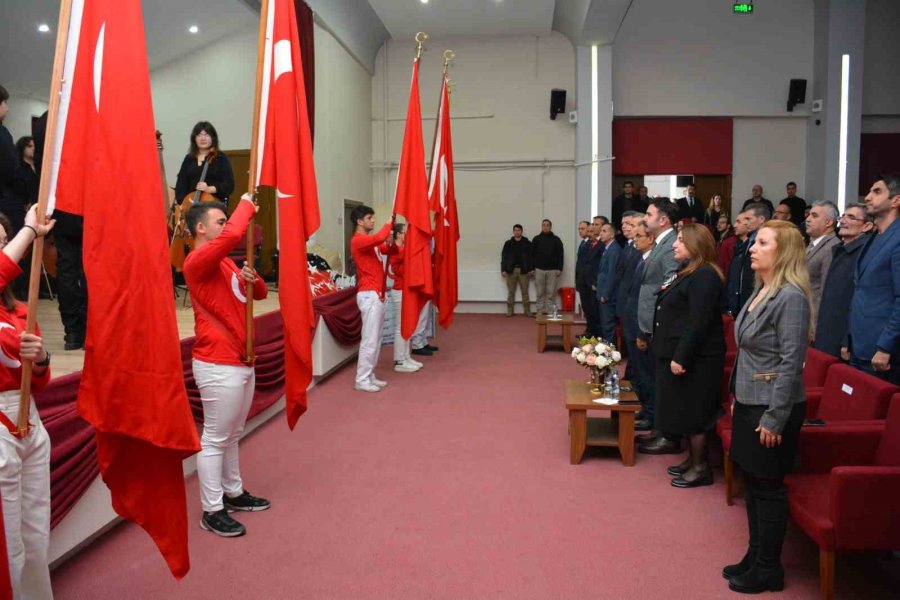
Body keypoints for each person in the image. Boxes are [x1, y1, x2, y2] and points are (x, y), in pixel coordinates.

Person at [726, 220, 810, 594]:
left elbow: (791, 362)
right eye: (754, 241)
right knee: (752, 481)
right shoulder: (762, 290)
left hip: (772, 408)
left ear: (783, 252)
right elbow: (750, 352)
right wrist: (737, 399)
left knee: (768, 486)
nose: (753, 248)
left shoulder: (790, 297)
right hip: (749, 401)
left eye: (762, 242)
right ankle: (754, 554)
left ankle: (768, 568)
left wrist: (775, 418)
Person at [183, 196, 270, 537]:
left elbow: (259, 294)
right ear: (201, 228)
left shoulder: (226, 263)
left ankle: (233, 492)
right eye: (220, 221)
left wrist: (253, 278)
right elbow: (233, 235)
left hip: (241, 358)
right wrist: (246, 205)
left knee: (233, 434)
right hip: (218, 362)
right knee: (215, 439)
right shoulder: (197, 261)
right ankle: (211, 508)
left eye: (226, 220)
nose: (226, 226)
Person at [0, 206, 55, 599]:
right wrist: (29, 230)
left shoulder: (20, 309)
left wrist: (42, 360)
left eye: (3, 243)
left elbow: (40, 380)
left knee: (36, 535)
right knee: (9, 545)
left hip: (30, 423)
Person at [651, 224, 725, 487]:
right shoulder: (689, 270)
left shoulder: (705, 275)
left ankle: (701, 467)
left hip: (700, 358)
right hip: (685, 352)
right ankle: (692, 460)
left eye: (681, 240)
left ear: (696, 244)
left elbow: (698, 322)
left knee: (696, 412)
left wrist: (681, 356)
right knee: (685, 408)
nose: (674, 244)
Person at [845, 175, 900, 383]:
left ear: (896, 201)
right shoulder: (872, 238)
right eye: (869, 192)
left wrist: (886, 346)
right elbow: (860, 291)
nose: (867, 197)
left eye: (877, 192)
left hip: (882, 349)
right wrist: (849, 338)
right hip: (859, 344)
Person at [635, 199, 681, 446]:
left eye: (649, 214)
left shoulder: (671, 244)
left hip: (660, 323)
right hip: (650, 322)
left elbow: (669, 286)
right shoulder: (662, 243)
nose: (645, 217)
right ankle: (658, 428)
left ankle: (667, 434)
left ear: (663, 220)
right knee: (656, 378)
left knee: (663, 382)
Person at [813, 204, 874, 357]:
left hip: (842, 337)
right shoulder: (839, 249)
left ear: (867, 226)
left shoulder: (864, 254)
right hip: (826, 331)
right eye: (844, 216)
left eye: (851, 217)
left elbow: (858, 299)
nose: (844, 221)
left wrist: (847, 338)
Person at [350, 205, 396, 392]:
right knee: (369, 339)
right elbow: (379, 238)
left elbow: (387, 249)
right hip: (369, 294)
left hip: (377, 293)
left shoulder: (369, 242)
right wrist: (388, 224)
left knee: (376, 339)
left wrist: (391, 241)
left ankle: (369, 374)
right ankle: (361, 379)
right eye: (370, 218)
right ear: (359, 221)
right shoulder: (358, 241)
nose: (373, 221)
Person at [625, 219, 654, 419]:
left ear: (651, 238)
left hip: (642, 326)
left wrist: (642, 330)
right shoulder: (642, 258)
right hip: (633, 321)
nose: (635, 241)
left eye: (639, 237)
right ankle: (644, 407)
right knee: (638, 369)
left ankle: (649, 412)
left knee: (646, 373)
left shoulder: (651, 263)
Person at [388, 224, 423, 373]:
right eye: (404, 233)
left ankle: (406, 356)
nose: (407, 235)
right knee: (400, 326)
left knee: (407, 324)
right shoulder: (396, 250)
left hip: (406, 290)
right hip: (399, 290)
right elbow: (398, 270)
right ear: (398, 235)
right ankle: (400, 360)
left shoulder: (404, 250)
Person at [174, 121, 235, 205]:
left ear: (213, 138)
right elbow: (181, 184)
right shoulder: (189, 158)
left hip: (214, 203)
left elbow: (229, 185)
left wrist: (209, 189)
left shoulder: (221, 157)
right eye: (199, 135)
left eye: (206, 135)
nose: (203, 138)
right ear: (194, 138)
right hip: (190, 203)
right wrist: (183, 202)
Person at [725, 204, 770, 316]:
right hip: (743, 299)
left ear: (761, 219)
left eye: (748, 219)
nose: (745, 223)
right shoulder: (749, 241)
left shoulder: (769, 242)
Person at [804, 200, 840, 329]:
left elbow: (825, 291)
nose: (808, 219)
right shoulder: (811, 244)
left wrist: (814, 325)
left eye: (814, 216)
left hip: (813, 320)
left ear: (829, 222)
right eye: (808, 215)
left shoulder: (832, 247)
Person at [0, 86, 24, 234]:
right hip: (6, 200)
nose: (7, 109)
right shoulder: (2, 134)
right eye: (5, 103)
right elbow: (12, 168)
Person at [531, 219, 564, 316]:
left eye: (547, 225)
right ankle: (539, 312)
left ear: (550, 227)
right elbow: (532, 255)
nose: (545, 227)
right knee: (540, 293)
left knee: (551, 293)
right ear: (541, 226)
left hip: (552, 270)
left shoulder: (556, 240)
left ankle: (550, 312)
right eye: (544, 225)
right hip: (539, 269)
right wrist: (532, 268)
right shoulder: (536, 239)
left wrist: (559, 268)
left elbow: (560, 255)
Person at [595, 223, 621, 342]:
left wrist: (605, 294)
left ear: (612, 234)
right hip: (602, 292)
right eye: (601, 231)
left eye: (604, 231)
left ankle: (609, 354)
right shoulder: (607, 248)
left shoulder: (614, 250)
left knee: (608, 325)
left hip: (608, 296)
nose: (601, 233)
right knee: (604, 324)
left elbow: (612, 274)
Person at [500, 224, 533, 317]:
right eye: (515, 230)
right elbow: (504, 257)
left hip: (524, 270)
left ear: (521, 231)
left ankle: (527, 311)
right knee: (511, 292)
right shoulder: (508, 243)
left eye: (519, 230)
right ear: (513, 231)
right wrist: (503, 269)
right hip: (511, 270)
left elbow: (531, 257)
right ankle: (510, 310)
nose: (517, 232)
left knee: (525, 292)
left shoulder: (527, 243)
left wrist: (531, 269)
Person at [574, 220, 594, 330]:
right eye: (579, 229)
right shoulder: (583, 243)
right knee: (586, 308)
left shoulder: (591, 244)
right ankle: (588, 330)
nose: (580, 231)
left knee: (590, 310)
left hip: (588, 283)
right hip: (582, 281)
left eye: (582, 229)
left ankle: (590, 331)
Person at [12, 137, 38, 206]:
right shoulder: (18, 169)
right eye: (29, 146)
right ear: (22, 148)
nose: (33, 148)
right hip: (28, 206)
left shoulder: (39, 164)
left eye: (34, 146)